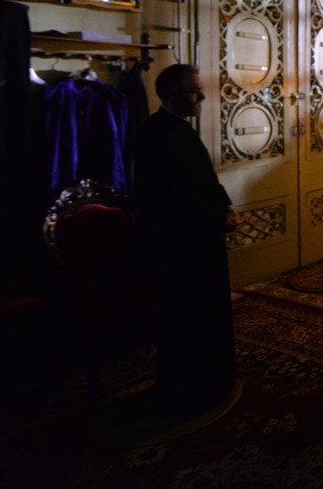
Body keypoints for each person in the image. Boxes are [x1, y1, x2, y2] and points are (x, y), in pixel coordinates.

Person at [134, 64, 240, 420]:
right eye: (195, 90)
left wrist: (226, 207)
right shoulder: (156, 135)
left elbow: (204, 180)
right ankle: (195, 388)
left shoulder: (178, 129)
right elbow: (174, 196)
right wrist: (217, 216)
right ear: (172, 94)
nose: (202, 96)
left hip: (200, 236)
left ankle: (212, 379)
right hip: (183, 245)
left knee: (206, 313)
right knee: (189, 318)